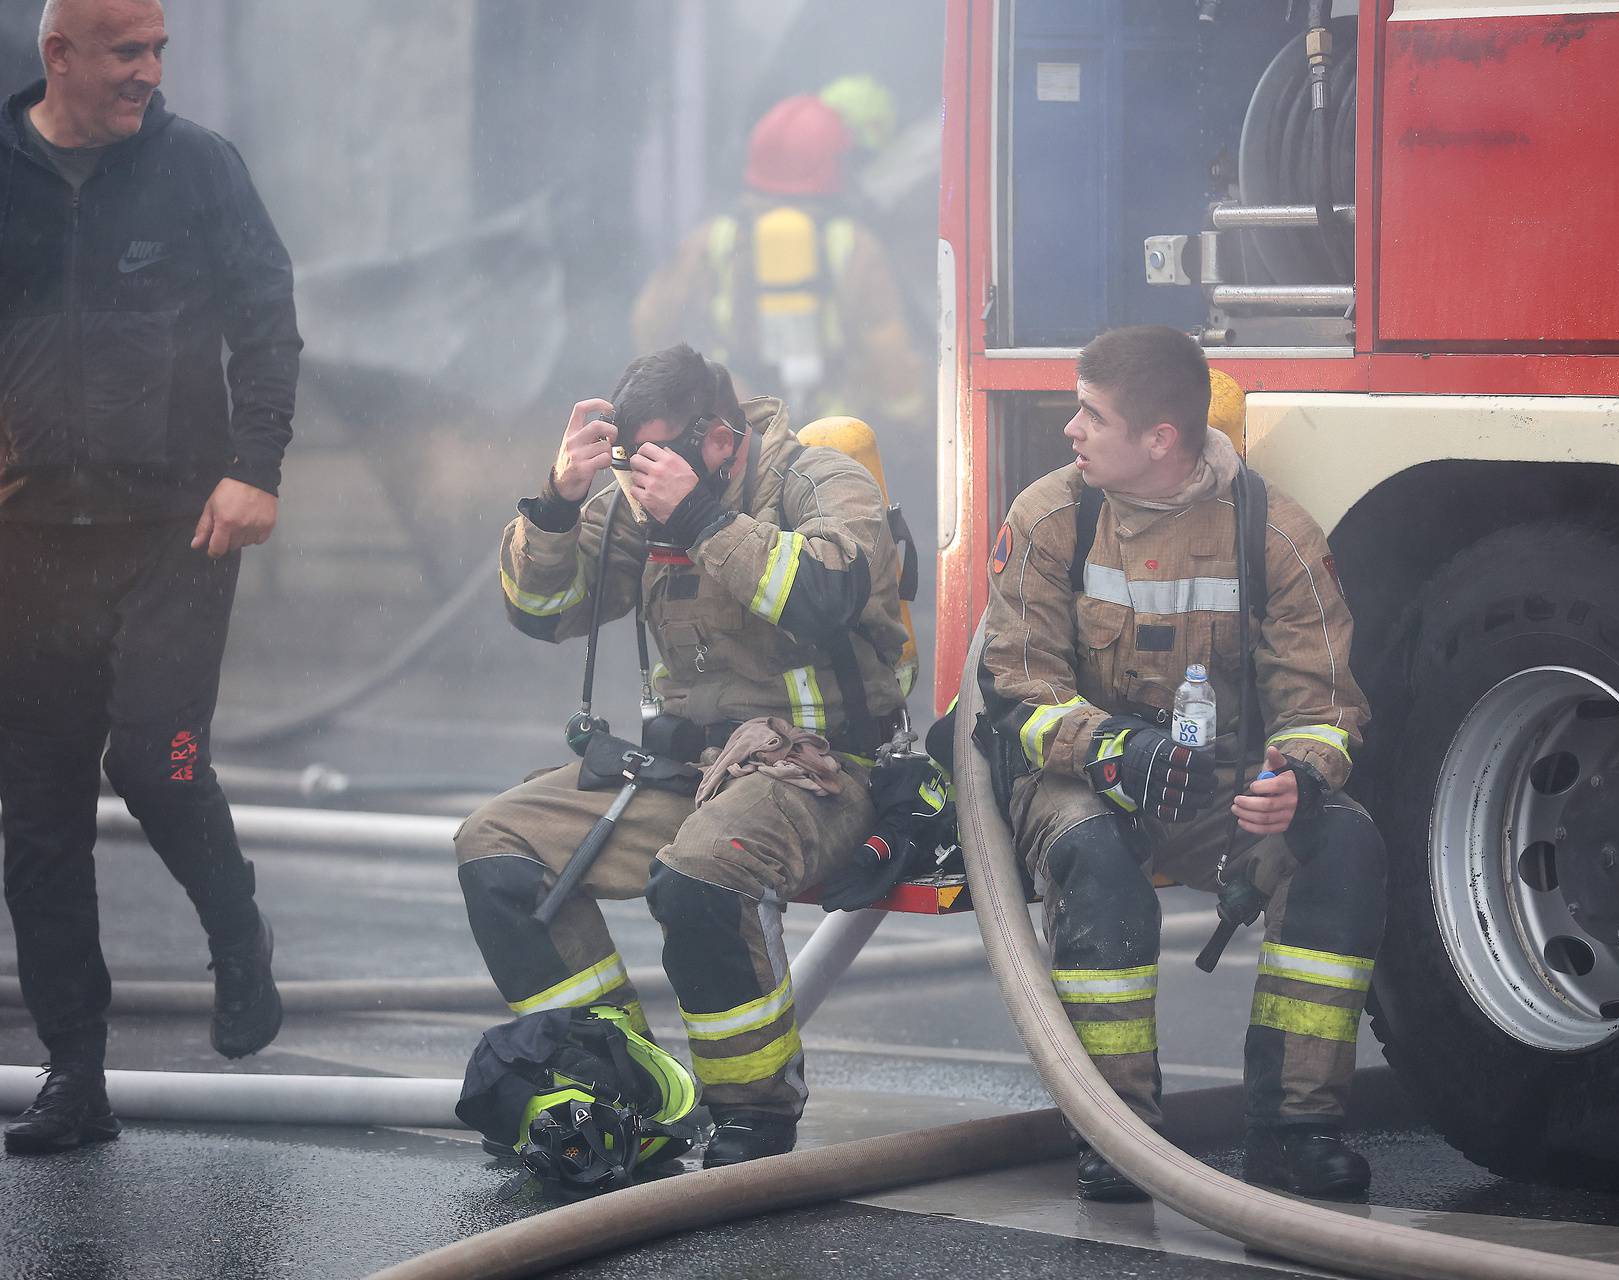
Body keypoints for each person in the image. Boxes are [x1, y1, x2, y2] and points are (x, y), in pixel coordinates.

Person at [455, 343, 909, 1167]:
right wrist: (559, 502)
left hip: (821, 771)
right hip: (691, 772)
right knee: (495, 847)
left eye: (655, 457)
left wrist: (702, 521)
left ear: (720, 441)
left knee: (701, 876)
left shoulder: (819, 480)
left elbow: (824, 598)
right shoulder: (639, 503)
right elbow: (543, 610)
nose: (640, 479)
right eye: (629, 460)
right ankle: (622, 1077)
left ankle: (752, 1113)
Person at [977, 326, 1388, 1202]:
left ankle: (1295, 1129)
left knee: (1341, 847)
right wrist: (1111, 748)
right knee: (1093, 858)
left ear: (1160, 438)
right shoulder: (1052, 518)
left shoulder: (1273, 532)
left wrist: (1299, 779)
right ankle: (1118, 1131)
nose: (1069, 431)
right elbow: (1017, 691)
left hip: (1219, 787)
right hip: (1081, 779)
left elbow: (1325, 700)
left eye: (1091, 414)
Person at [0, 0, 299, 1155]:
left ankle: (237, 928)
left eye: (160, 50)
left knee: (160, 760)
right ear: (57, 54)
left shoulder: (197, 169)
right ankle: (76, 1076)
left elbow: (265, 319)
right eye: (127, 51)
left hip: (179, 529)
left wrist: (255, 467)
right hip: (29, 547)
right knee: (37, 822)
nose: (149, 72)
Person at [628, 94, 927, 434]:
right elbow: (886, 346)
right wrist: (910, 422)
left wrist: (694, 395)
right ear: (834, 166)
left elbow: (652, 320)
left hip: (736, 430)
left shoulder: (713, 239)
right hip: (829, 435)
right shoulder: (854, 245)